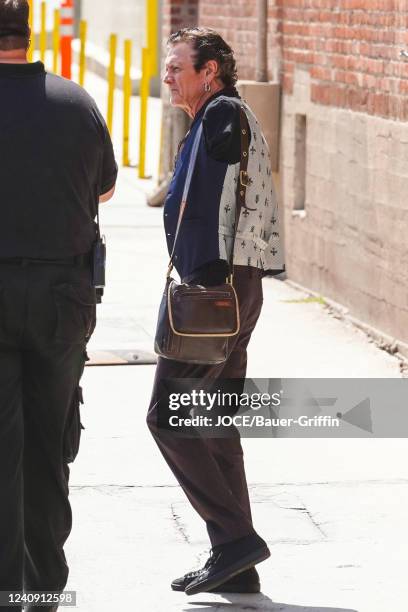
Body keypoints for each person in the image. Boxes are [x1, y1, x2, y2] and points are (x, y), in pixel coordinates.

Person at [147, 27, 284, 596]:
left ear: (210, 71)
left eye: (178, 66)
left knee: (169, 417)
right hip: (235, 288)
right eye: (167, 67)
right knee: (217, 427)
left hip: (215, 292)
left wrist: (199, 282)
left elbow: (210, 191)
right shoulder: (214, 116)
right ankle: (238, 561)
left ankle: (234, 540)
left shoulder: (223, 114)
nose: (168, 76)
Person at [0, 2, 117, 611]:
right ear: (27, 35)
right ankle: (45, 588)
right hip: (61, 298)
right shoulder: (76, 103)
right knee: (50, 441)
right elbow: (105, 186)